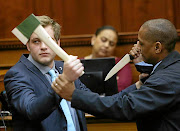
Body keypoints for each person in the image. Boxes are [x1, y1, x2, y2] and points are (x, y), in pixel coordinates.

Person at [51, 18, 180, 131]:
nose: (137, 47)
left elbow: (125, 106)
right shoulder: (169, 68)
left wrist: (74, 95)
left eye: (141, 43)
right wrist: (140, 83)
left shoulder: (167, 78)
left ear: (157, 47)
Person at [4, 15, 89, 131]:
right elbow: (31, 110)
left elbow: (89, 101)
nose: (43, 47)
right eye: (36, 41)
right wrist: (64, 80)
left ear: (58, 43)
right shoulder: (16, 74)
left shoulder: (64, 67)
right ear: (28, 45)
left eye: (49, 40)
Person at [83, 25, 132, 92]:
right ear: (93, 39)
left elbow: (122, 88)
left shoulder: (122, 64)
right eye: (103, 40)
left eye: (111, 44)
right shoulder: (79, 62)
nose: (106, 45)